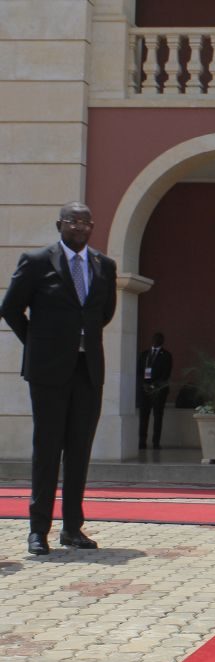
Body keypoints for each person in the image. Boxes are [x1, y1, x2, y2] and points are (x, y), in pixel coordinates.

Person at [0, 202, 118, 555]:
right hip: (48, 372)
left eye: (86, 222)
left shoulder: (103, 265)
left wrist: (80, 342)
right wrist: (39, 344)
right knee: (47, 449)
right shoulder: (37, 262)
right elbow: (10, 308)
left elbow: (104, 312)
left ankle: (72, 528)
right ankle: (38, 530)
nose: (80, 227)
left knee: (79, 450)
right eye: (73, 221)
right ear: (59, 225)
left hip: (88, 370)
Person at [137, 332, 173, 450]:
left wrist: (154, 386)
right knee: (144, 416)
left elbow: (166, 374)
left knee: (157, 417)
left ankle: (156, 442)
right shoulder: (145, 354)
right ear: (152, 340)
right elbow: (139, 371)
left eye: (159, 339)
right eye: (155, 338)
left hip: (159, 391)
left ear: (162, 341)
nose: (156, 340)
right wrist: (144, 385)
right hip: (145, 390)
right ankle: (142, 441)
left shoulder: (166, 355)